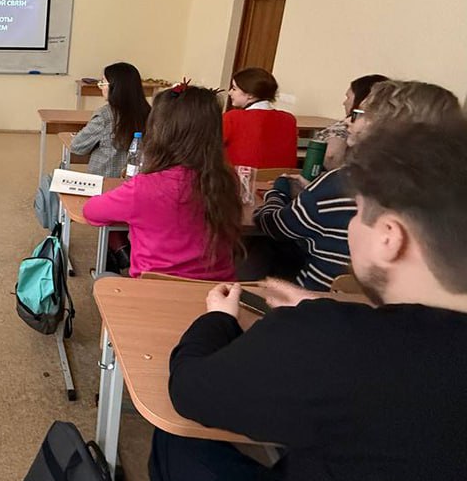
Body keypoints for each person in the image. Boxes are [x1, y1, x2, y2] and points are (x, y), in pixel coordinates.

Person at [152, 118, 467, 481]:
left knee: (173, 438)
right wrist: (325, 310)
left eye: (357, 212)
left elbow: (189, 388)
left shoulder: (331, 341)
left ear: (389, 237)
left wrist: (218, 319)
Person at [251, 80, 462, 290]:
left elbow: (274, 225)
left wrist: (278, 191)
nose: (348, 122)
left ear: (381, 125)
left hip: (320, 297)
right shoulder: (449, 192)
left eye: (359, 114)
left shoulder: (343, 182)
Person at [82, 84, 241, 281]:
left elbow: (91, 211)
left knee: (103, 280)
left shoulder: (144, 187)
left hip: (154, 289)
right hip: (220, 291)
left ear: (159, 131)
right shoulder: (228, 179)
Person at [70, 62, 151, 177]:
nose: (100, 87)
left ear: (115, 87)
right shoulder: (150, 112)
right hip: (137, 181)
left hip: (104, 180)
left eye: (103, 82)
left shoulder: (105, 115)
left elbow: (77, 146)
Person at [222, 67, 298, 168]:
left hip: (240, 177)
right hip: (279, 177)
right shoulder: (289, 119)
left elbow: (209, 147)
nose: (230, 92)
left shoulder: (232, 117)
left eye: (234, 89)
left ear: (250, 94)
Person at [312, 74, 389, 170]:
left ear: (361, 99)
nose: (344, 103)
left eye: (348, 97)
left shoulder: (350, 125)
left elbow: (331, 156)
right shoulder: (391, 128)